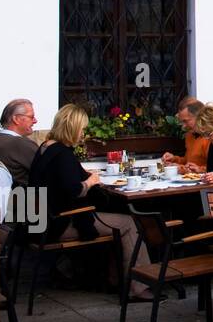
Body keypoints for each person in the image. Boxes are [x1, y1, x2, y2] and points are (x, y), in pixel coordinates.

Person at [28, 105, 147, 298]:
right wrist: (90, 181)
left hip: (40, 222)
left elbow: (62, 180)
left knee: (116, 216)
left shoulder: (46, 148)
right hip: (59, 223)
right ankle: (137, 288)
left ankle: (113, 279)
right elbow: (74, 191)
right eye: (82, 128)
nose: (83, 133)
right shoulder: (63, 154)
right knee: (128, 223)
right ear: (73, 127)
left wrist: (87, 176)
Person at [0, 98, 39, 187]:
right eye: (31, 117)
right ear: (16, 119)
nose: (35, 121)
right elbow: (49, 172)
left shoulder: (0, 139)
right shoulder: (20, 144)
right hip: (26, 198)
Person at [162, 97, 209, 172]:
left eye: (185, 121)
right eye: (182, 122)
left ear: (199, 117)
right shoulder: (190, 135)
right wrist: (174, 159)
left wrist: (185, 168)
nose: (183, 126)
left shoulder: (211, 137)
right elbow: (188, 161)